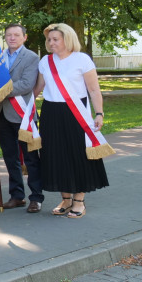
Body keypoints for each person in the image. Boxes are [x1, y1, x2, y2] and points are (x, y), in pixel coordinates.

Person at [33, 23, 110, 219]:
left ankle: (79, 201)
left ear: (67, 39)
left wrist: (99, 113)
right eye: (49, 39)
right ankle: (65, 199)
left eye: (55, 39)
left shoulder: (82, 59)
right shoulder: (45, 61)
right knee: (55, 154)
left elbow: (94, 90)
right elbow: (38, 88)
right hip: (51, 112)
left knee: (77, 154)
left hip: (76, 112)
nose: (51, 43)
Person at [0, 24, 43, 213]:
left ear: (24, 37)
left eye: (16, 35)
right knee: (10, 157)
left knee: (30, 158)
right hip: (2, 114)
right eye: (8, 35)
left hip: (23, 116)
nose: (12, 38)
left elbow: (26, 85)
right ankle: (17, 195)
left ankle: (36, 197)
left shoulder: (31, 57)